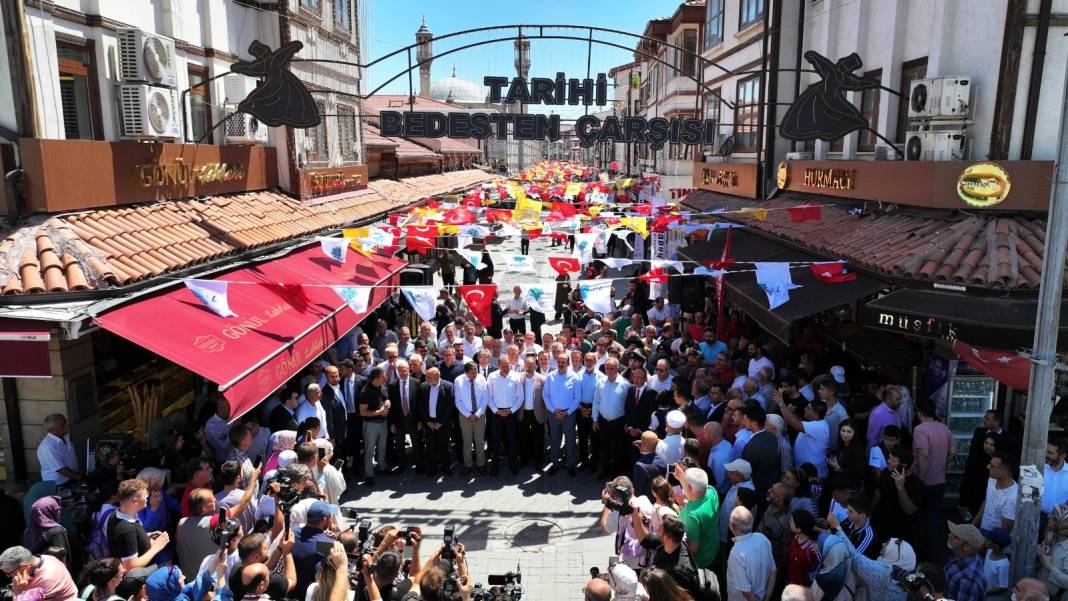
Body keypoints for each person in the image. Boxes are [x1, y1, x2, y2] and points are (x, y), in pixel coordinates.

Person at [108, 479, 170, 570]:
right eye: (145, 496)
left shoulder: (117, 515)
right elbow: (130, 566)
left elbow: (130, 540)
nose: (147, 498)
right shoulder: (126, 530)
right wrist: (156, 547)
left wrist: (146, 537)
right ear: (135, 501)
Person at [872, 447, 922, 543]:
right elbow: (879, 493)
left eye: (892, 460)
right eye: (889, 458)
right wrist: (870, 511)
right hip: (881, 525)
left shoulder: (916, 483)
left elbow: (910, 510)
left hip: (900, 531)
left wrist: (900, 488)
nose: (888, 461)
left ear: (903, 466)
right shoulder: (886, 473)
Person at [292, 501, 340, 600]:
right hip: (309, 595)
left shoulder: (292, 533)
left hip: (290, 590)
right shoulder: (326, 544)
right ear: (325, 520)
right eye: (330, 516)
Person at [675, 465, 720, 570]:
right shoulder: (712, 492)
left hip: (701, 561)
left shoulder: (691, 515)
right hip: (713, 550)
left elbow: (693, 548)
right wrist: (682, 478)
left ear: (690, 488)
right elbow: (696, 498)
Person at [726, 506, 775, 601]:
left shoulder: (736, 554)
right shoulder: (763, 539)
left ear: (732, 526)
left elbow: (746, 592)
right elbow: (773, 571)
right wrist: (767, 598)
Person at [544, 352, 580, 476]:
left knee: (570, 440)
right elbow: (545, 395)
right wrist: (554, 410)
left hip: (568, 415)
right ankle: (555, 463)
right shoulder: (550, 376)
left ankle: (570, 464)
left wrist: (567, 412)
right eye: (559, 362)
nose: (560, 364)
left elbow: (577, 398)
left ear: (568, 363)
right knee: (554, 440)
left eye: (563, 362)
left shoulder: (574, 377)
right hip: (553, 414)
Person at [594, 357, 630, 478]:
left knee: (618, 449)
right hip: (603, 421)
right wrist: (595, 419)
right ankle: (605, 470)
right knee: (605, 448)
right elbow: (596, 401)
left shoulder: (625, 384)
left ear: (617, 368)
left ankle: (616, 474)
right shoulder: (600, 381)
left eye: (612, 368)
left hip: (619, 422)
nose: (609, 371)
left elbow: (628, 405)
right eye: (607, 368)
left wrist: (627, 422)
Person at [0, 546, 78, 601]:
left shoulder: (47, 579)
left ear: (24, 567)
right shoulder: (43, 558)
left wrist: (19, 592)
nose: (8, 577)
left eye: (9, 574)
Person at [417, 367, 455, 477]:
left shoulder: (448, 386)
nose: (426, 379)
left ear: (437, 376)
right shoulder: (424, 386)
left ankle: (446, 467)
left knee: (444, 446)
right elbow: (421, 406)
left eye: (429, 377)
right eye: (426, 376)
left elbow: (450, 406)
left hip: (443, 423)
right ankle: (432, 468)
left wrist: (440, 422)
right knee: (430, 447)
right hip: (429, 423)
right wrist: (428, 422)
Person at [486, 356, 521, 475]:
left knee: (512, 440)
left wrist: (512, 410)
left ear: (510, 365)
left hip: (511, 413)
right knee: (495, 441)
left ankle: (513, 464)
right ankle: (495, 465)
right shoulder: (492, 377)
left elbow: (520, 396)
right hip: (496, 413)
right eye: (503, 366)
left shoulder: (516, 376)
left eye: (507, 366)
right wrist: (496, 410)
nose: (506, 368)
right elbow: (488, 396)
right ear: (498, 365)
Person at [454, 361, 489, 477]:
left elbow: (485, 398)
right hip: (465, 416)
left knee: (480, 441)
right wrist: (468, 415)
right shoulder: (458, 381)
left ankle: (481, 464)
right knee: (467, 442)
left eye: (476, 372)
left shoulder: (482, 379)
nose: (475, 375)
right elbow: (458, 401)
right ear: (466, 372)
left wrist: (477, 414)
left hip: (480, 414)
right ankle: (468, 465)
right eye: (472, 373)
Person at [739, 402, 779, 501]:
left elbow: (745, 473)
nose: (743, 423)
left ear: (754, 423)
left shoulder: (752, 446)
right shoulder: (771, 437)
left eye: (745, 420)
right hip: (769, 485)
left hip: (756, 491)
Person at [388, 359, 422, 473]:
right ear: (397, 371)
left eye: (405, 370)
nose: (403, 372)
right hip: (398, 419)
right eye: (400, 370)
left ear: (409, 369)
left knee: (416, 442)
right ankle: (402, 464)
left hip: (413, 418)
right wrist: (392, 422)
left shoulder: (416, 383)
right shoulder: (392, 385)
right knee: (399, 443)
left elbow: (419, 403)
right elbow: (391, 406)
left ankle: (418, 464)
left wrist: (420, 420)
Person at [358, 367, 390, 486]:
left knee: (382, 447)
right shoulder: (365, 392)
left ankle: (382, 467)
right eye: (383, 376)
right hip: (371, 425)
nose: (385, 378)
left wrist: (387, 402)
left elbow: (385, 398)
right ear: (376, 378)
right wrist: (379, 412)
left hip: (383, 423)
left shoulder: (382, 386)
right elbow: (363, 412)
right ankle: (369, 474)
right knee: (370, 450)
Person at [974, 452, 1019, 532]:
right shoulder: (992, 479)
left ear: (1004, 472)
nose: (987, 466)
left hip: (993, 539)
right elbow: (987, 501)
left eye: (992, 466)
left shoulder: (1013, 497)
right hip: (982, 530)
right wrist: (973, 525)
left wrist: (987, 543)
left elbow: (1005, 530)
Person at [22, 496, 72, 566]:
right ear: (48, 511)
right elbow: (62, 558)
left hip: (39, 572)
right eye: (56, 509)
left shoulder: (28, 532)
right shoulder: (57, 532)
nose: (59, 512)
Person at [945, 521, 988, 601]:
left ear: (967, 547)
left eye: (956, 537)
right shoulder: (960, 555)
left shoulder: (968, 579)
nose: (949, 535)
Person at [37, 414, 80, 486]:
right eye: (63, 424)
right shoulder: (47, 446)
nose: (67, 426)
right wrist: (80, 477)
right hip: (58, 484)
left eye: (66, 423)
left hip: (71, 478)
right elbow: (60, 469)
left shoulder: (65, 435)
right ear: (52, 429)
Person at [785, 510, 820, 587]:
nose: (789, 522)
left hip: (801, 589)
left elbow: (819, 570)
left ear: (799, 529)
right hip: (789, 582)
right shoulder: (795, 537)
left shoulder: (812, 550)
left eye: (791, 521)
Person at [1039, 504, 1068, 598]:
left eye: (1054, 518)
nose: (1049, 518)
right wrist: (1039, 552)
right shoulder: (1051, 537)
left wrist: (1048, 566)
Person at [827, 418, 866, 486]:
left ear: (854, 433)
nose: (845, 434)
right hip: (840, 481)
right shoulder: (841, 446)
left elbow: (859, 474)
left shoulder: (858, 450)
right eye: (843, 430)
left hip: (850, 486)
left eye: (849, 432)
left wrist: (839, 468)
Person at [633, 431, 668, 500]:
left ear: (643, 445)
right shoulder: (663, 459)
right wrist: (643, 451)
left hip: (646, 502)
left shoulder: (640, 466)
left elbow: (637, 490)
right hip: (660, 498)